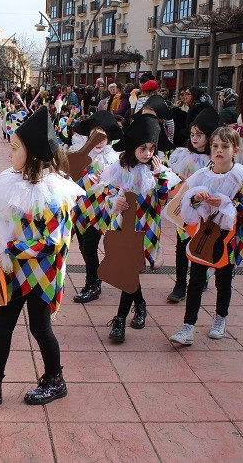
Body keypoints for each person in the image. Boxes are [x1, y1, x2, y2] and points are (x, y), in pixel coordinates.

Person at [0, 107, 84, 408]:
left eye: (16, 148)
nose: (10, 152)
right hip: (14, 270)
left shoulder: (55, 194)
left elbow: (53, 243)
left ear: (35, 155)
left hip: (42, 275)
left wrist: (10, 249)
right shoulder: (14, 182)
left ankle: (55, 380)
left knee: (40, 328)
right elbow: (9, 223)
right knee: (2, 324)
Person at [170, 126, 243, 345]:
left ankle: (220, 319)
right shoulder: (202, 175)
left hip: (228, 238)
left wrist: (226, 203)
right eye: (215, 146)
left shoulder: (242, 177)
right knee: (196, 280)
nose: (219, 150)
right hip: (204, 236)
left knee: (224, 280)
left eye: (225, 146)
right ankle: (187, 327)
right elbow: (186, 204)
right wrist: (196, 198)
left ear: (235, 150)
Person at [90, 114, 173, 343]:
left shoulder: (159, 172)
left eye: (151, 149)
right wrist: (114, 201)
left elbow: (164, 199)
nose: (147, 153)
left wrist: (160, 175)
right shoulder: (119, 168)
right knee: (128, 269)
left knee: (131, 270)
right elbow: (107, 193)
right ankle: (139, 305)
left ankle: (120, 319)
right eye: (143, 148)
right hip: (123, 226)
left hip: (146, 229)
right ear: (133, 146)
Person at [71, 111, 124, 303]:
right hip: (80, 206)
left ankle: (92, 284)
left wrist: (106, 180)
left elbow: (119, 185)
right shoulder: (80, 154)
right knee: (83, 246)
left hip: (101, 208)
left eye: (103, 135)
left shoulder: (114, 159)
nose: (99, 140)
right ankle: (94, 280)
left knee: (91, 246)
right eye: (95, 134)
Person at [164, 108, 216, 303]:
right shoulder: (184, 155)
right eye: (193, 134)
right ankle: (179, 284)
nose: (195, 138)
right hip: (185, 210)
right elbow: (176, 179)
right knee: (182, 245)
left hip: (208, 210)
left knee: (203, 244)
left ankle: (201, 278)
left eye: (200, 135)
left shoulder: (215, 158)